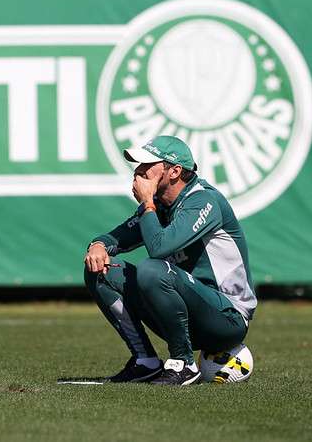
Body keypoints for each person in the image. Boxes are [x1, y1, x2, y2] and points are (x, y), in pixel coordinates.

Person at [83, 135, 256, 386]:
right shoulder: (161, 205)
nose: (138, 171)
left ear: (174, 171)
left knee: (152, 270)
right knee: (101, 270)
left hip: (227, 319)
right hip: (184, 315)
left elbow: (159, 248)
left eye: (146, 165)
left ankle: (183, 364)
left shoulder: (203, 200)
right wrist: (98, 246)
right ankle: (145, 363)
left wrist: (147, 204)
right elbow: (117, 237)